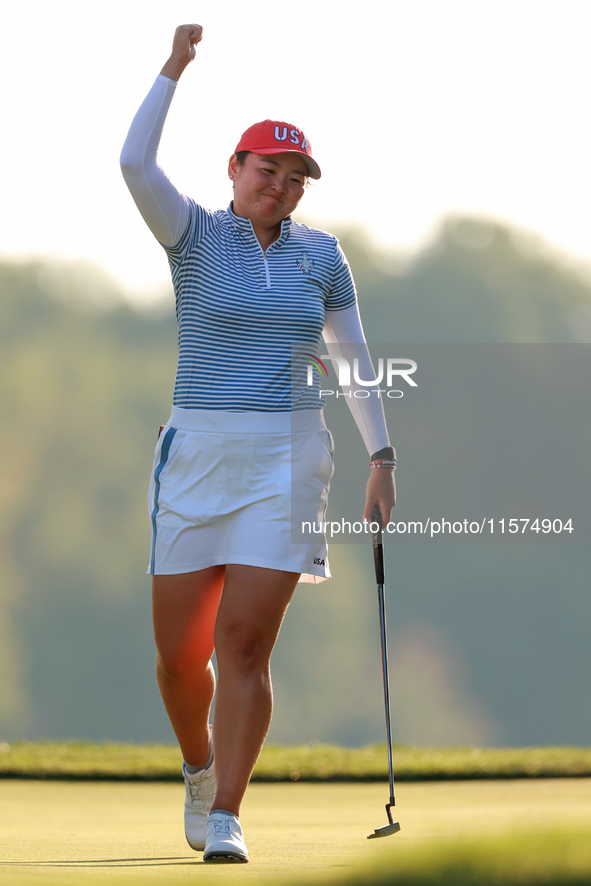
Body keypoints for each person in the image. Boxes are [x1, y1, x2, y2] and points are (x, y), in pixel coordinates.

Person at [120, 23, 396, 864]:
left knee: (244, 644)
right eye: (265, 169)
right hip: (196, 457)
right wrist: (172, 69)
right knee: (180, 658)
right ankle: (198, 768)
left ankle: (229, 813)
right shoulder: (193, 236)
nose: (278, 185)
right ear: (234, 171)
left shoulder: (323, 256)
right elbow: (134, 164)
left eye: (293, 177)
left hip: (287, 458)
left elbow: (351, 361)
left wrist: (382, 457)